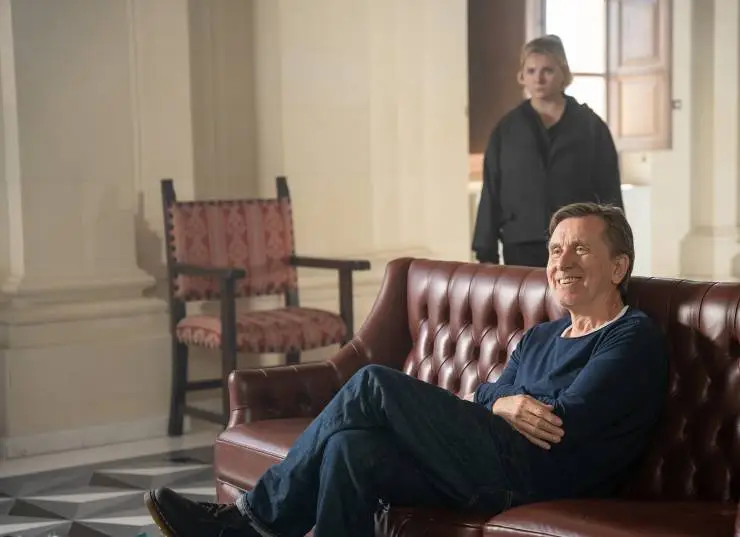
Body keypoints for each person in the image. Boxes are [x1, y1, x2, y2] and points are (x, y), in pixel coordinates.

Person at [144, 202, 668, 537]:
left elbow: (562, 425)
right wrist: (504, 403)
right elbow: (491, 395)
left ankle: (248, 522)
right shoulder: (540, 336)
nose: (562, 261)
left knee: (372, 384)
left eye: (581, 249)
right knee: (351, 448)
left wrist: (502, 404)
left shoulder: (631, 336)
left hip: (541, 478)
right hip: (494, 462)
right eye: (555, 250)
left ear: (618, 266)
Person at [472, 35, 623, 268]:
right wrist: (485, 251)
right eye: (531, 71)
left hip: (578, 241)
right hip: (521, 243)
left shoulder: (590, 126)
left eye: (547, 71)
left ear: (564, 73)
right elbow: (491, 191)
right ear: (522, 76)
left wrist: (617, 247)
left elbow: (609, 190)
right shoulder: (506, 130)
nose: (539, 79)